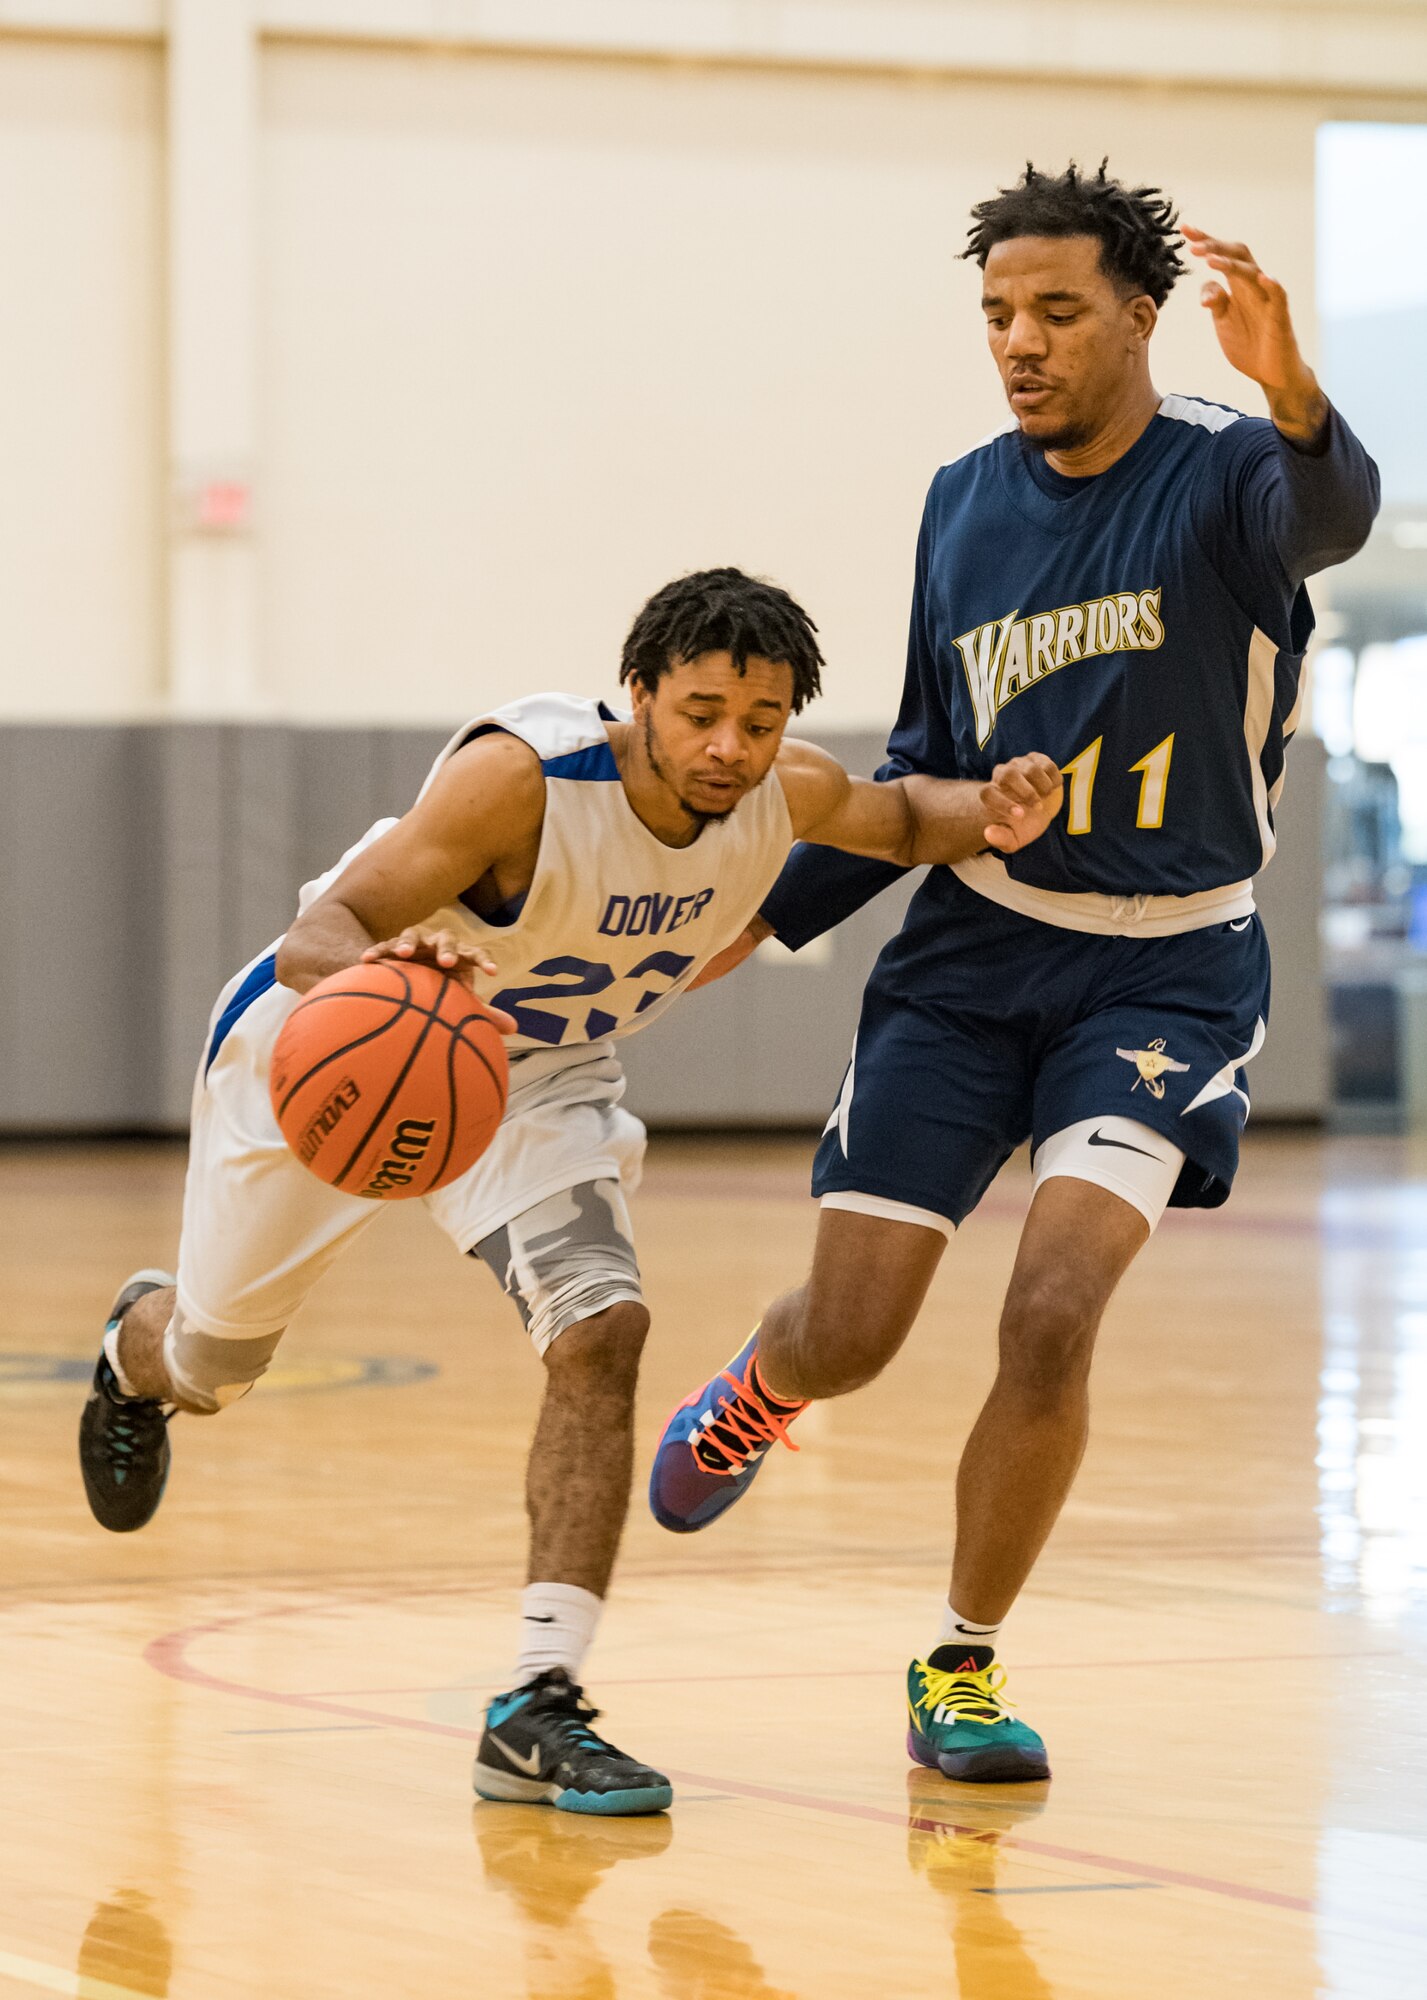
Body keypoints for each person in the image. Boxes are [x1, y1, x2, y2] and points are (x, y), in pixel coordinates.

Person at [79, 566, 1062, 1815]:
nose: (727, 746)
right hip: (333, 1045)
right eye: (700, 711)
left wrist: (994, 803)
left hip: (530, 1086)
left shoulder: (789, 790)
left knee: (602, 1330)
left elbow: (905, 821)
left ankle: (538, 1701)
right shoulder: (520, 781)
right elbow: (317, 932)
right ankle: (135, 1349)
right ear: (637, 692)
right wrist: (394, 960)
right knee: (214, 1360)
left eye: (757, 723)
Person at [649, 165, 1380, 1785]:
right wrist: (752, 923)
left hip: (1169, 974)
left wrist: (1296, 393)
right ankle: (769, 1383)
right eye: (995, 316)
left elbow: (1331, 519)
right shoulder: (962, 501)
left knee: (1051, 1312)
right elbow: (921, 759)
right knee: (853, 1333)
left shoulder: (1229, 476)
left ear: (1138, 313)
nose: (1019, 344)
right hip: (973, 953)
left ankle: (960, 1666)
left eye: (1055, 312)